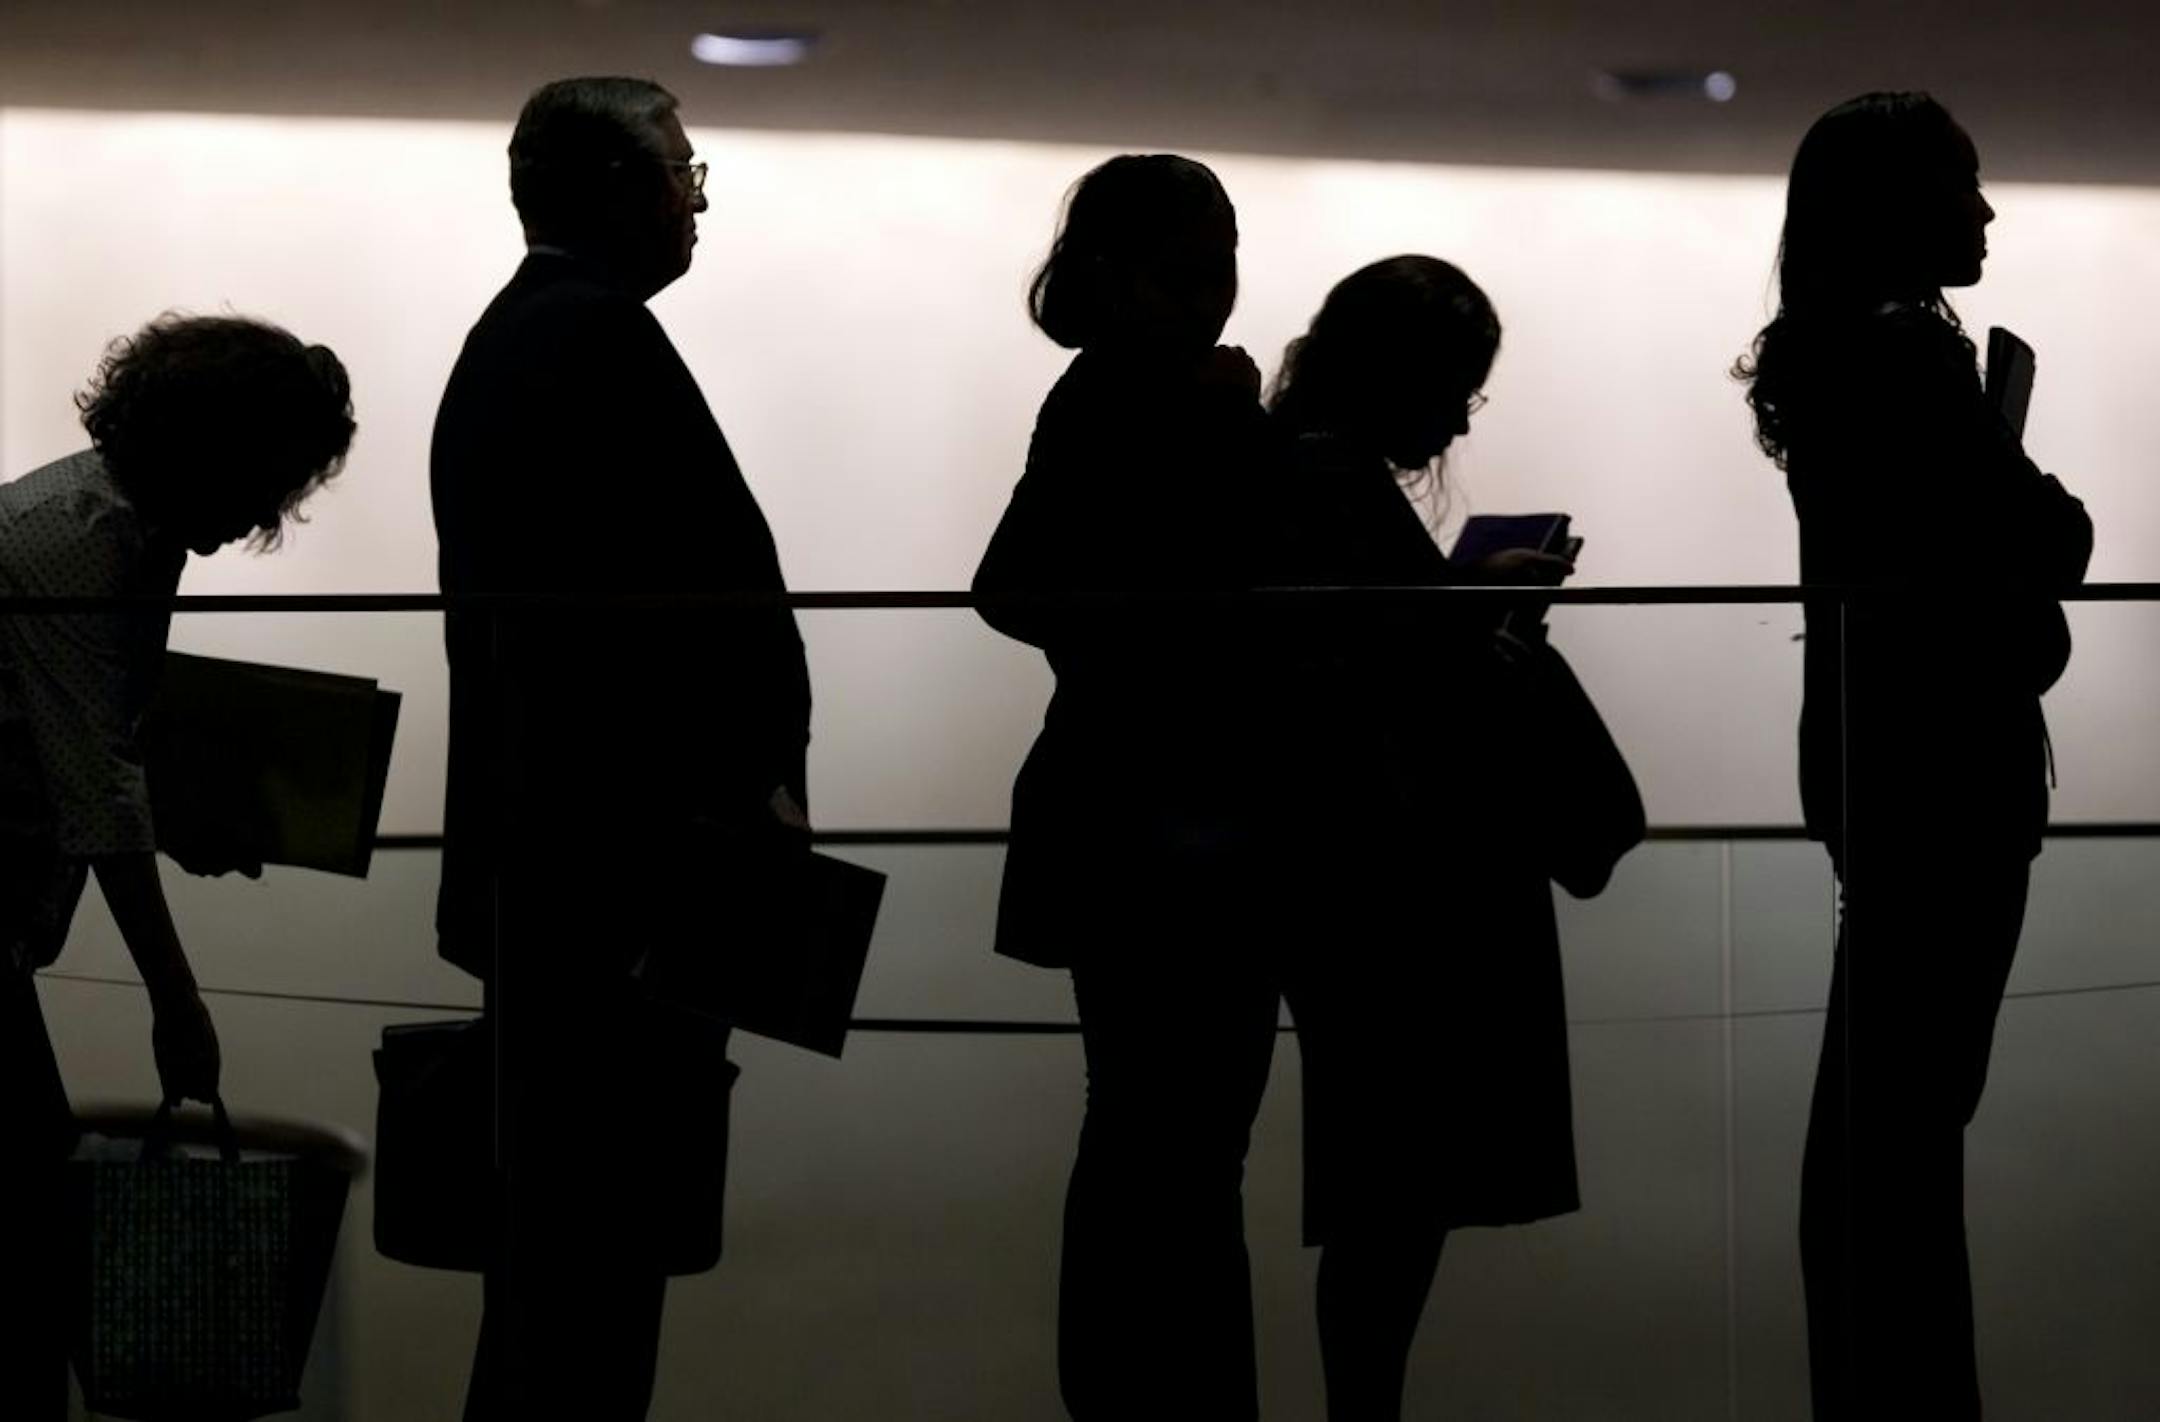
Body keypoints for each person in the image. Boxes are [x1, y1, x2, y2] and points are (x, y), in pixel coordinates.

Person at [430, 76, 810, 1420]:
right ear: (617, 189)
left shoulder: (525, 338)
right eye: (682, 176)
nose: (695, 206)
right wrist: (749, 802)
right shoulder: (588, 338)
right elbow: (669, 629)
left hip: (570, 868)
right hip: (623, 880)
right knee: (592, 1265)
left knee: (561, 1263)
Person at [1735, 92, 2092, 1419]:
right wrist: (2017, 480)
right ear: (1901, 206)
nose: (1985, 210)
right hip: (1952, 775)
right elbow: (2051, 537)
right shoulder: (1904, 359)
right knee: (1905, 1134)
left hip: (1884, 768)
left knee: (1881, 1130)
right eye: (1962, 182)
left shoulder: (1836, 356)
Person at [1266, 255, 1631, 1421]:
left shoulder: (1301, 471)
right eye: (1457, 390)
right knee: (1396, 1199)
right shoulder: (1329, 482)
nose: (1461, 421)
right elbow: (1384, 678)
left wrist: (1461, 609)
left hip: (1361, 875)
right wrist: (1480, 619)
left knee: (1385, 1194)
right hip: (1397, 883)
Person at [972, 153, 1283, 1419]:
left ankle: (1130, 1393)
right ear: (1125, 273)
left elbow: (1016, 586)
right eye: (1193, 265)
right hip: (1182, 818)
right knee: (1184, 1147)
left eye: (1221, 261)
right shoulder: (1146, 397)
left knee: (1152, 1136)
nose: (1215, 290)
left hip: (1126, 810)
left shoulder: (1102, 392)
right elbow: (1019, 586)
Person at [0, 312, 354, 1420]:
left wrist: (183, 818)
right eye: (260, 482)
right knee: (29, 1233)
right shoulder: (75, 543)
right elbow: (95, 782)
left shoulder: (125, 532)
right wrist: (178, 999)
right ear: (207, 450)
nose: (259, 517)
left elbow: (96, 757)